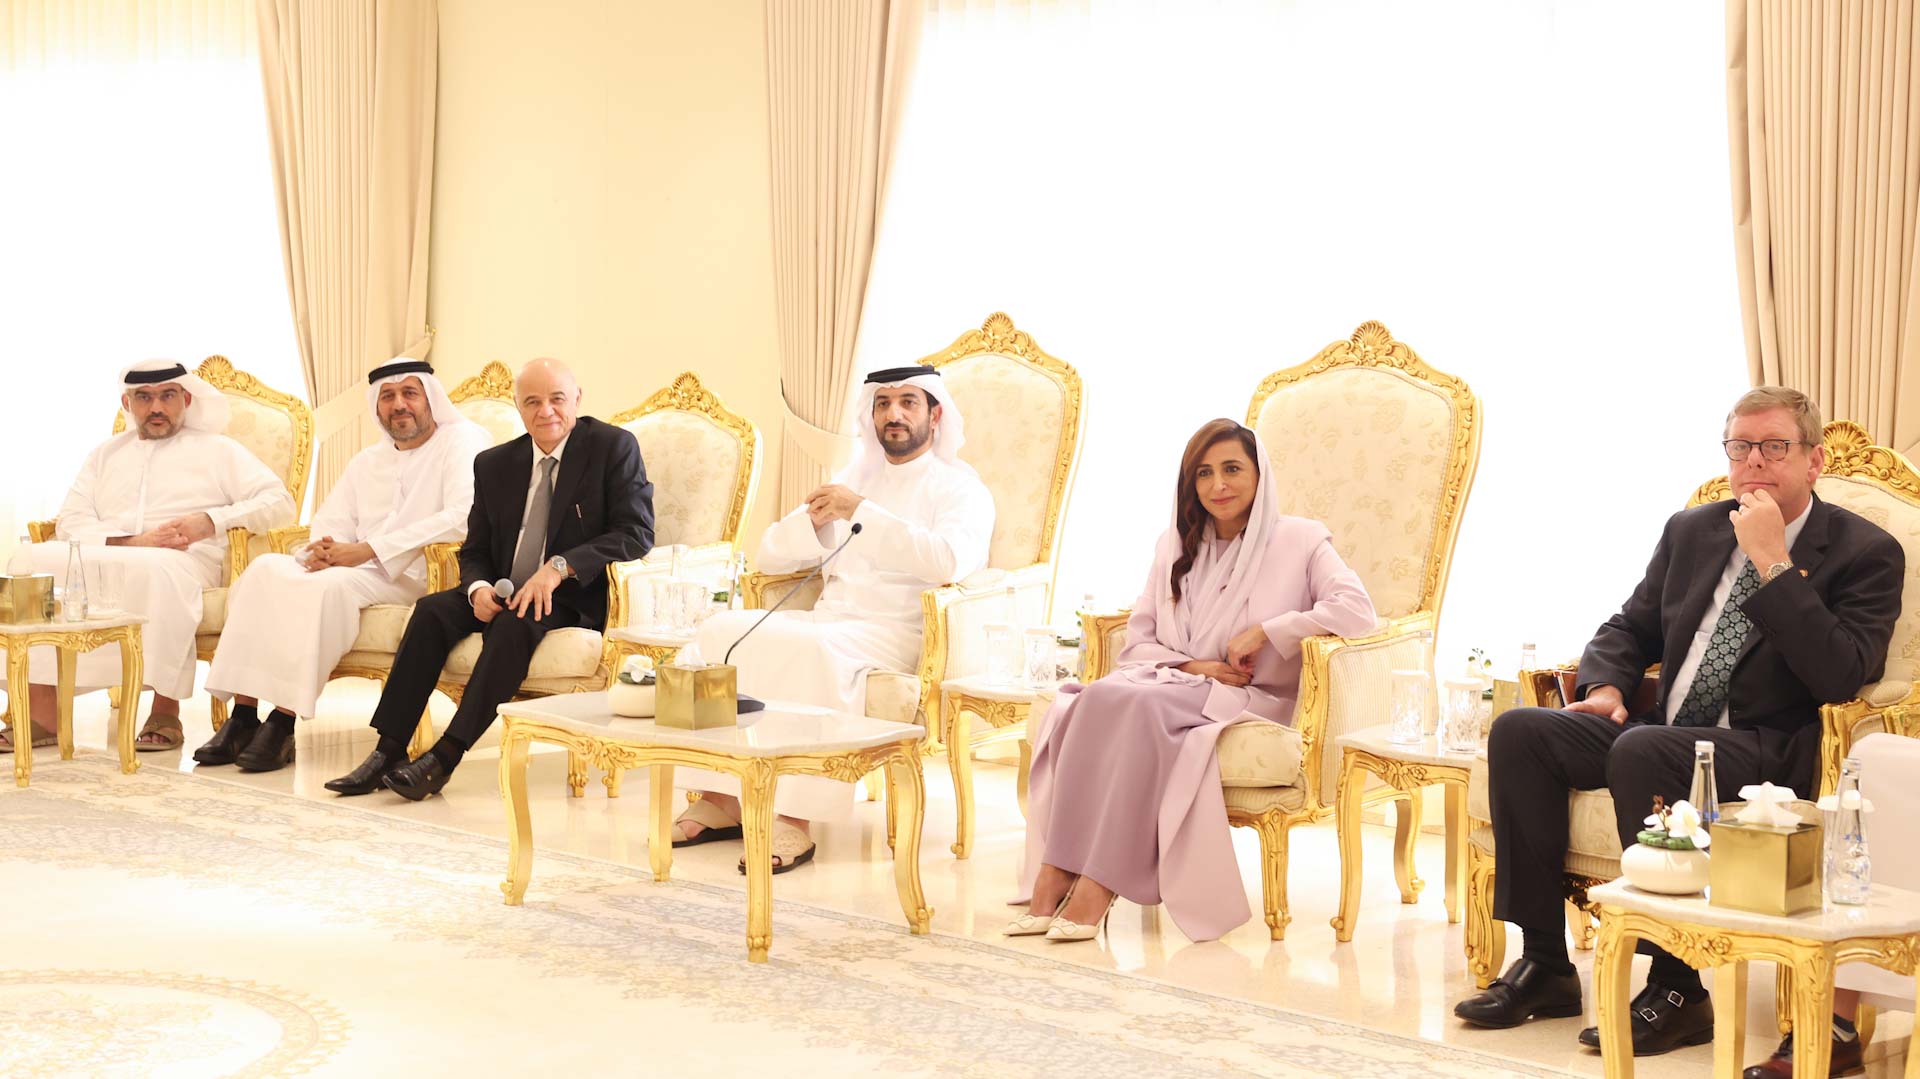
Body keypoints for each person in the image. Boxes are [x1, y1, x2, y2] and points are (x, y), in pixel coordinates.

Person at [1454, 387, 1904, 1061]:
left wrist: (1772, 562)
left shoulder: (1866, 551)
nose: (1754, 461)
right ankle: (1545, 962)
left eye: (1774, 446)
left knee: (1644, 750)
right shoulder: (1692, 530)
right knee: (1522, 732)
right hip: (1663, 728)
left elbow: (1841, 674)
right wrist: (1606, 686)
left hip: (1765, 749)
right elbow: (1628, 626)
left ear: (1814, 461)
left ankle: (1678, 988)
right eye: (1740, 447)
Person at [1011, 418, 1376, 942]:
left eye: (1232, 469)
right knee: (1093, 696)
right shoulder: (1174, 545)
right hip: (1178, 684)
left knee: (1136, 704)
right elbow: (1138, 643)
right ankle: (1057, 869)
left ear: (1260, 474)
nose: (1218, 485)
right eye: (1203, 473)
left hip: (1252, 697)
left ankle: (1099, 884)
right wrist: (1194, 667)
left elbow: (1357, 610)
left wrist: (1269, 631)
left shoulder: (1300, 540)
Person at [668, 365, 995, 873]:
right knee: (718, 632)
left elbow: (949, 561)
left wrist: (861, 510)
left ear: (935, 415)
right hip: (834, 618)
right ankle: (720, 797)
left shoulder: (960, 489)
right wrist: (816, 523)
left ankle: (794, 819)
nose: (894, 414)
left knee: (813, 651)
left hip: (898, 629)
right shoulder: (852, 479)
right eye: (883, 404)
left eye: (908, 402)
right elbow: (771, 552)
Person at [325, 357, 653, 800]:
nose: (546, 411)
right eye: (532, 402)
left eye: (557, 399)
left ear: (577, 399)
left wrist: (559, 568)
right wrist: (478, 587)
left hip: (570, 594)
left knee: (513, 625)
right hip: (502, 588)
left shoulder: (612, 447)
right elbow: (475, 549)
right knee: (431, 611)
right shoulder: (495, 464)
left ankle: (444, 757)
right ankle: (388, 750)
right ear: (518, 407)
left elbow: (635, 533)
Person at [193, 359, 493, 772]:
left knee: (328, 588)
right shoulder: (368, 460)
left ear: (430, 399)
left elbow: (462, 516)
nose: (399, 404)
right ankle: (244, 716)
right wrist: (321, 551)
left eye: (410, 393)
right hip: (354, 566)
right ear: (376, 406)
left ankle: (282, 722)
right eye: (388, 396)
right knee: (262, 571)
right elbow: (332, 519)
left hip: (415, 574)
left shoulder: (461, 441)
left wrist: (368, 550)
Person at [0, 360, 294, 753]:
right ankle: (41, 716)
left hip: (184, 556)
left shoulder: (219, 450)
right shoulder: (105, 454)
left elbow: (279, 502)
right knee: (29, 561)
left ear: (185, 399)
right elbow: (71, 519)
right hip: (114, 550)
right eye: (144, 397)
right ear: (128, 403)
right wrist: (135, 541)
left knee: (157, 569)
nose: (156, 407)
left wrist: (209, 521)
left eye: (167, 396)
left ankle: (164, 712)